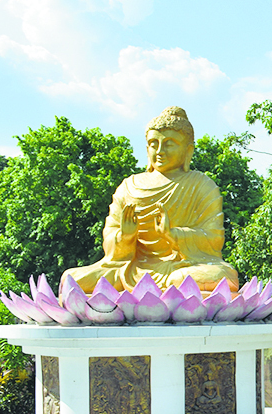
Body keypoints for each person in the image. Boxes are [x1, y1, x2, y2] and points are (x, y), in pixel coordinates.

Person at [62, 106, 238, 294]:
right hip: (129, 270)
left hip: (181, 268)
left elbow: (214, 239)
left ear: (188, 150)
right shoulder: (129, 186)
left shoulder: (202, 185)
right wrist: (125, 236)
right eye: (154, 144)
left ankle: (162, 290)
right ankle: (172, 293)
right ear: (147, 149)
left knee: (222, 276)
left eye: (169, 144)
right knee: (71, 279)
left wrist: (172, 234)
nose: (160, 151)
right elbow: (110, 240)